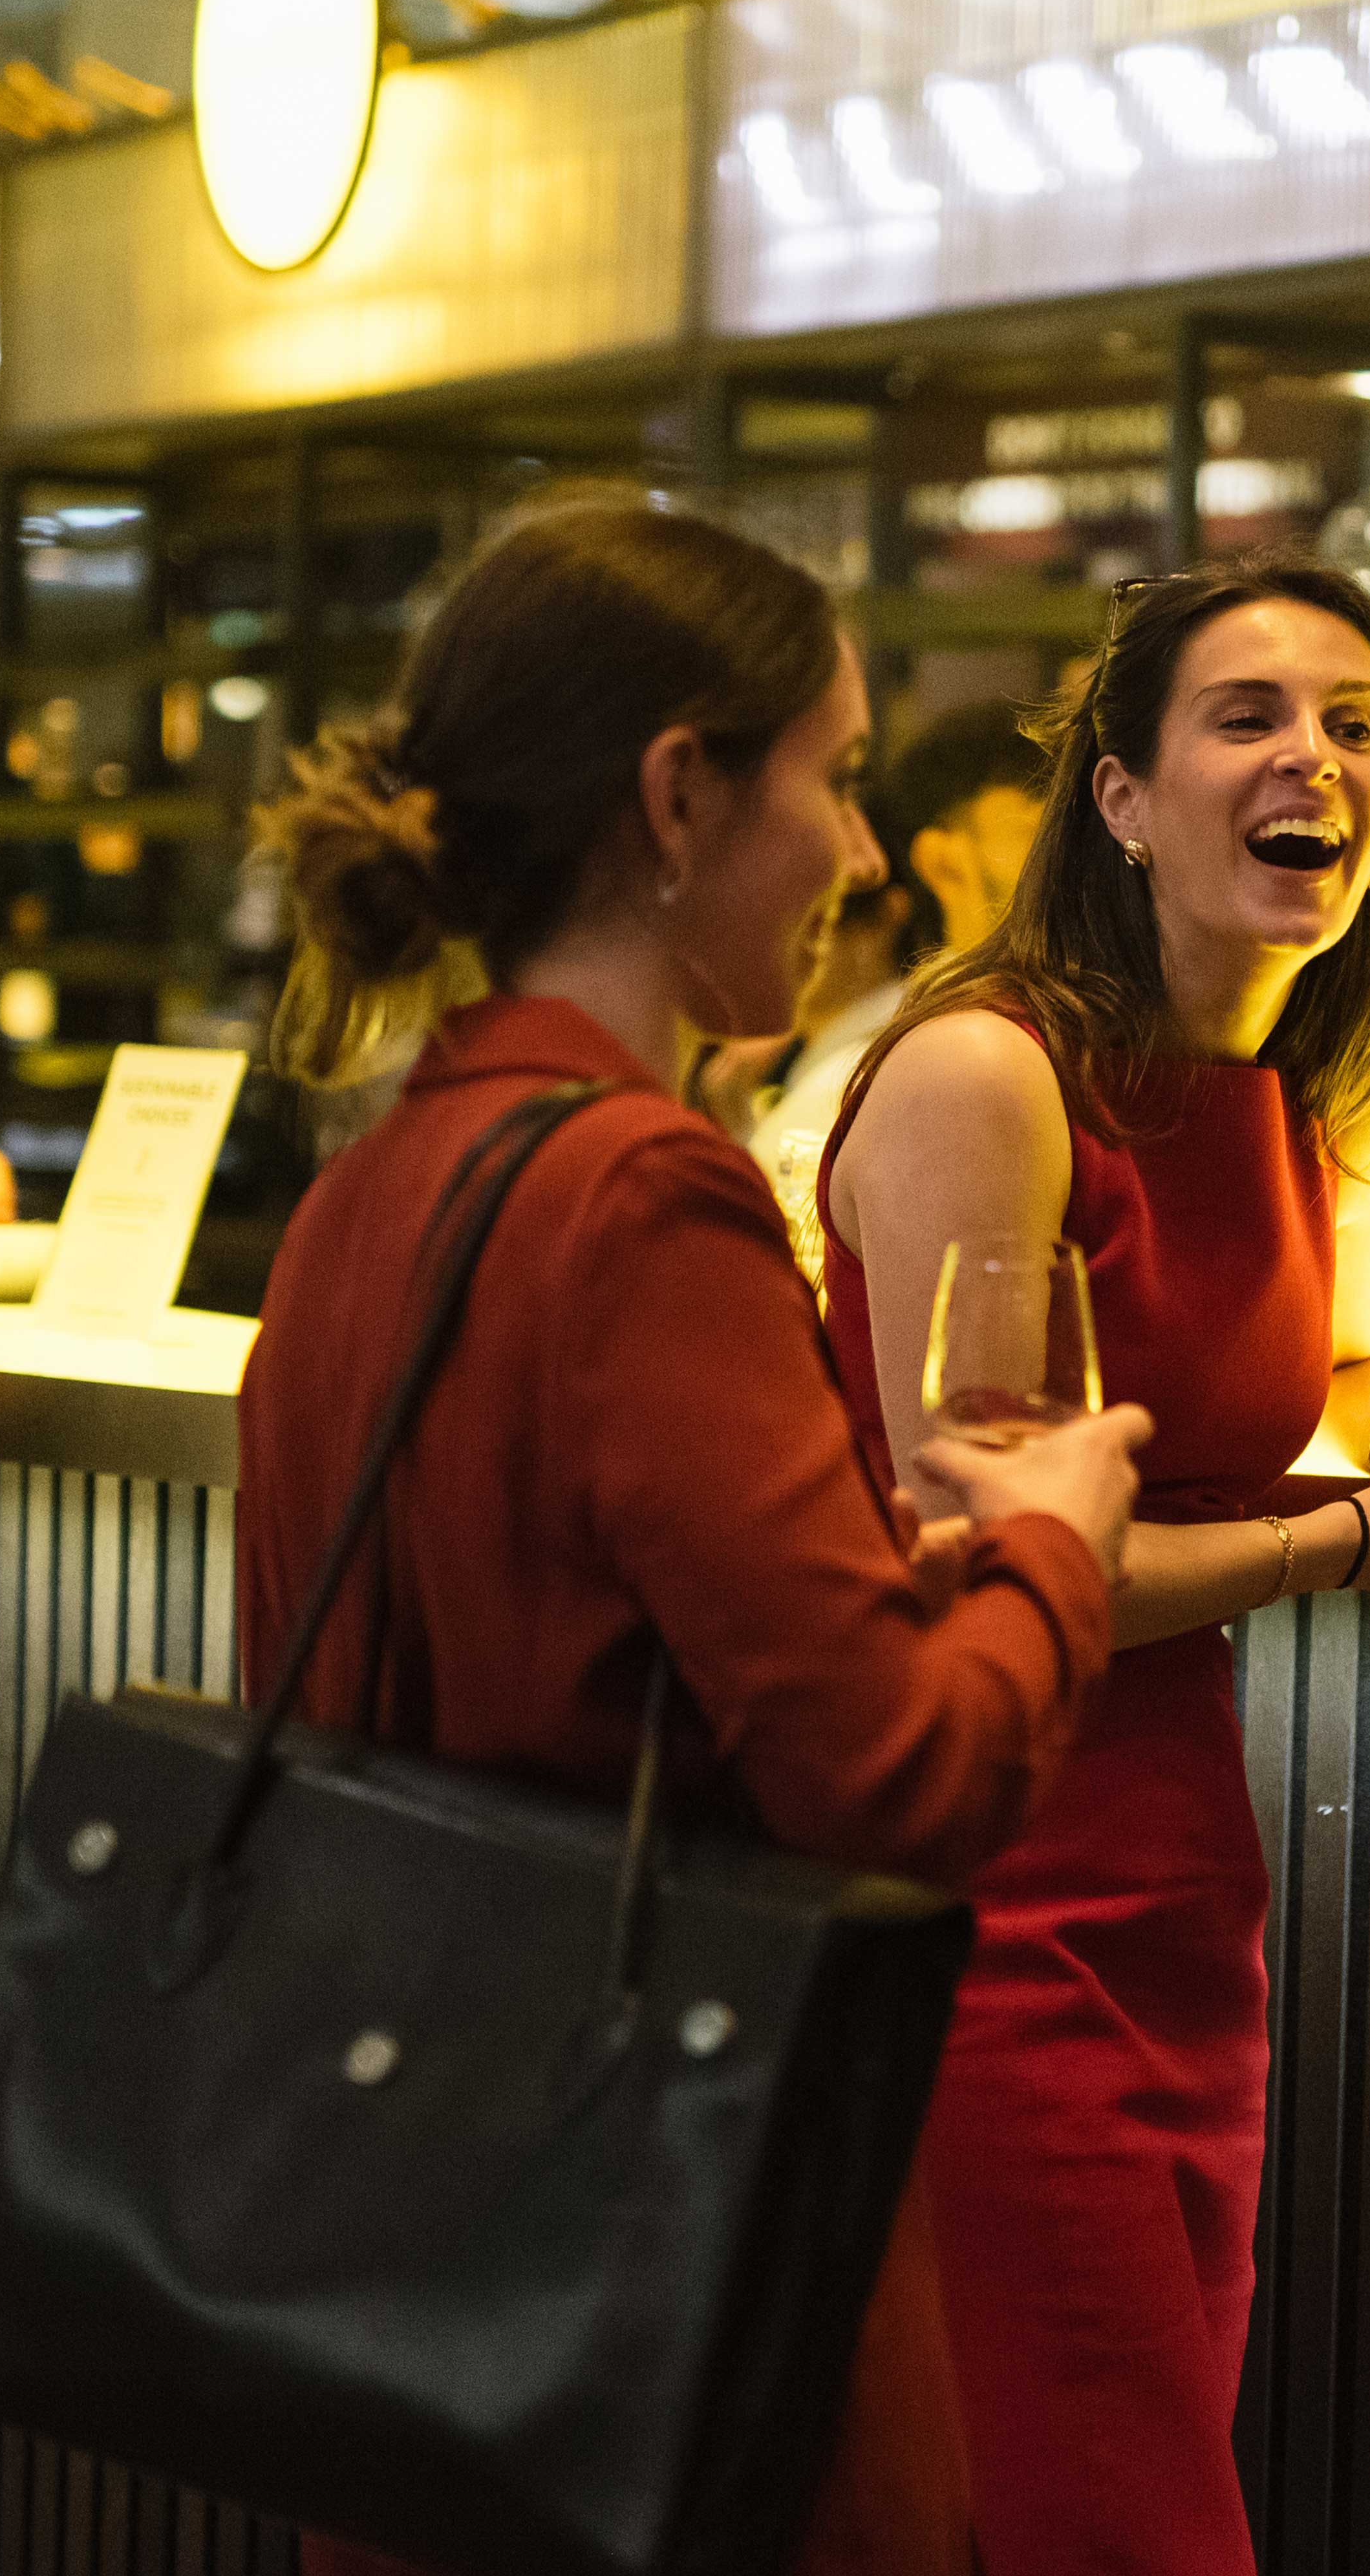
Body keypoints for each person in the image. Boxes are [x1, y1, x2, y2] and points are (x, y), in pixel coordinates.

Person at [238, 493, 1143, 2576]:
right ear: (676, 791)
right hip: (657, 2284)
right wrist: (1051, 1549)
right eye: (828, 774)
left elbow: (545, 1654)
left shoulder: (375, 1184)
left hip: (408, 2258)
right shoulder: (650, 1196)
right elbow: (901, 1774)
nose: (868, 850)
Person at [819, 549, 1370, 2576]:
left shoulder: (1293, 1079)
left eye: (1356, 721)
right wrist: (1343, 1535)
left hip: (1179, 1911)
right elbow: (983, 1550)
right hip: (984, 1900)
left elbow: (1310, 1338)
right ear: (1120, 798)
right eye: (1249, 714)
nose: (1314, 753)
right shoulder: (992, 1072)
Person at [731, 701, 1051, 1171]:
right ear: (944, 861)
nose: (1074, 863)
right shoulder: (873, 1084)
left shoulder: (1094, 1045)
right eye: (1036, 833)